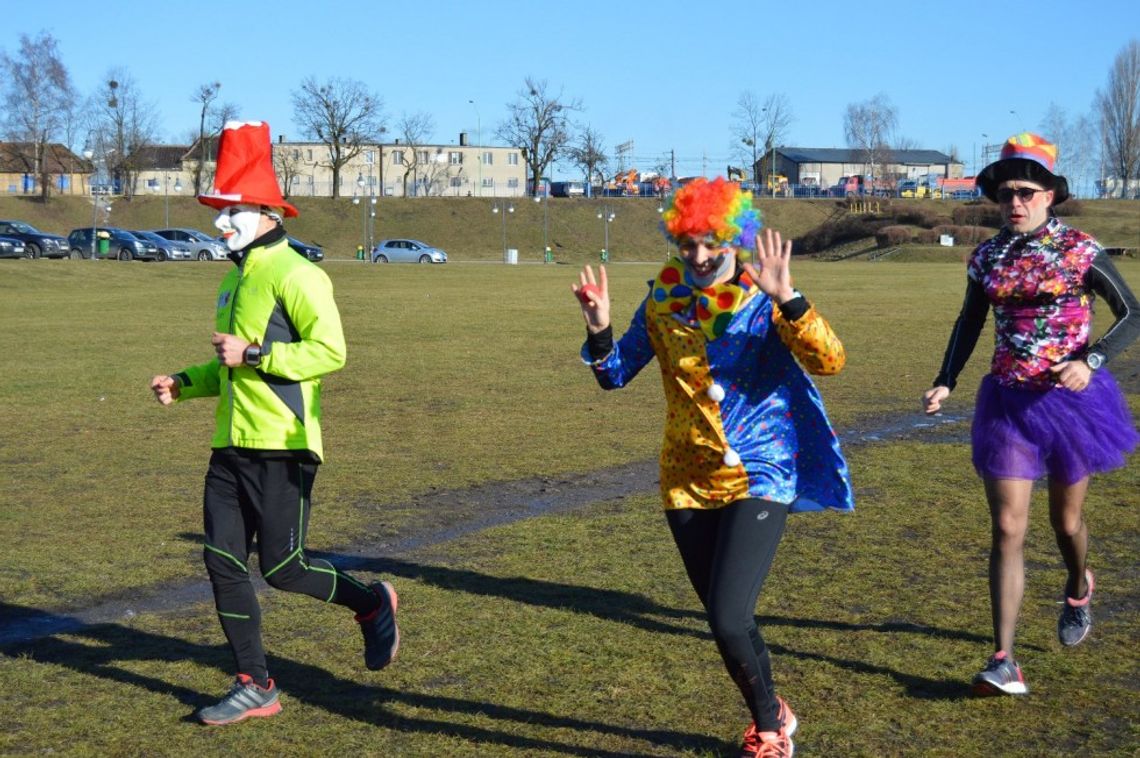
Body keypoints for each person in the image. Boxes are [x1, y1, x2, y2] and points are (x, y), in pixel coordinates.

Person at [573, 177, 854, 757]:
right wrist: (599, 330)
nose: (699, 257)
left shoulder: (762, 295)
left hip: (761, 469)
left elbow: (830, 360)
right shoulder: (662, 300)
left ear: (734, 238)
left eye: (711, 243)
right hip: (686, 476)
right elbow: (614, 374)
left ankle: (770, 736)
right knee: (726, 619)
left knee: (728, 615)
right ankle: (772, 708)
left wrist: (790, 299)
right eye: (687, 243)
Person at [149, 121, 399, 725]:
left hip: (285, 447)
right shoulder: (234, 278)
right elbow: (229, 365)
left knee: (284, 570)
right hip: (230, 447)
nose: (220, 224)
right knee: (221, 562)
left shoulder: (299, 274)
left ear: (265, 212)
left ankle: (371, 603)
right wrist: (185, 382)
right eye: (218, 212)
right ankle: (254, 683)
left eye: (231, 211)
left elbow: (330, 351)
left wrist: (257, 354)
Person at [923, 132, 1140, 696]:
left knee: (1065, 523)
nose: (1013, 202)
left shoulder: (1080, 250)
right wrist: (946, 379)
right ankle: (1003, 659)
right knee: (1006, 527)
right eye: (1004, 194)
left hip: (1071, 404)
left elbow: (1133, 314)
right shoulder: (987, 256)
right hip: (1007, 403)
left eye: (1025, 191)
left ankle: (1077, 584)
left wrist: (1090, 360)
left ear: (1050, 195)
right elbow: (969, 322)